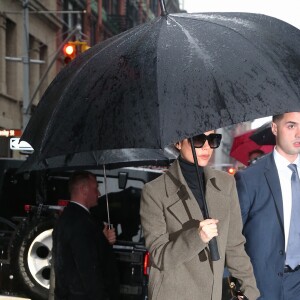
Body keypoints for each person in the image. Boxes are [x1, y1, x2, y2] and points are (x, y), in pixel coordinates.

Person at [140, 130, 260, 300]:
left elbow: (235, 246)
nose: (206, 147)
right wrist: (197, 237)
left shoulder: (226, 184)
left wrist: (249, 292)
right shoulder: (155, 191)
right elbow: (159, 256)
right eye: (198, 139)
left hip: (212, 294)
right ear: (178, 142)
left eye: (212, 139)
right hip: (172, 293)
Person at [235, 112, 300, 299]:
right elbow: (233, 239)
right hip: (262, 287)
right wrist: (241, 284)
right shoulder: (249, 179)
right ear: (274, 128)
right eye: (291, 126)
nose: (298, 133)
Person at [52, 170, 119, 300]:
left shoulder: (69, 217)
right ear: (84, 190)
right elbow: (88, 268)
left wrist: (104, 241)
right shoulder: (81, 223)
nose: (98, 194)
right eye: (95, 188)